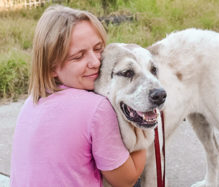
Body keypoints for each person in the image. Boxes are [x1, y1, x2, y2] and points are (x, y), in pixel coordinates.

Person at [10, 5, 146, 187]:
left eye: (98, 49)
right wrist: (145, 124)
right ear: (51, 67)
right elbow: (125, 180)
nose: (95, 61)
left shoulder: (32, 101)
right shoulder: (96, 108)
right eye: (78, 57)